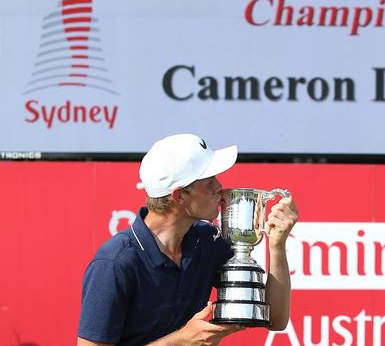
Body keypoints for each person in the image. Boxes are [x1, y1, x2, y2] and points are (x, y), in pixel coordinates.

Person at [77, 133, 298, 345]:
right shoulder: (114, 264)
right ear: (179, 195)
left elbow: (275, 319)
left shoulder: (208, 240)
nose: (219, 188)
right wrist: (182, 341)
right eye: (209, 181)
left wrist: (276, 245)